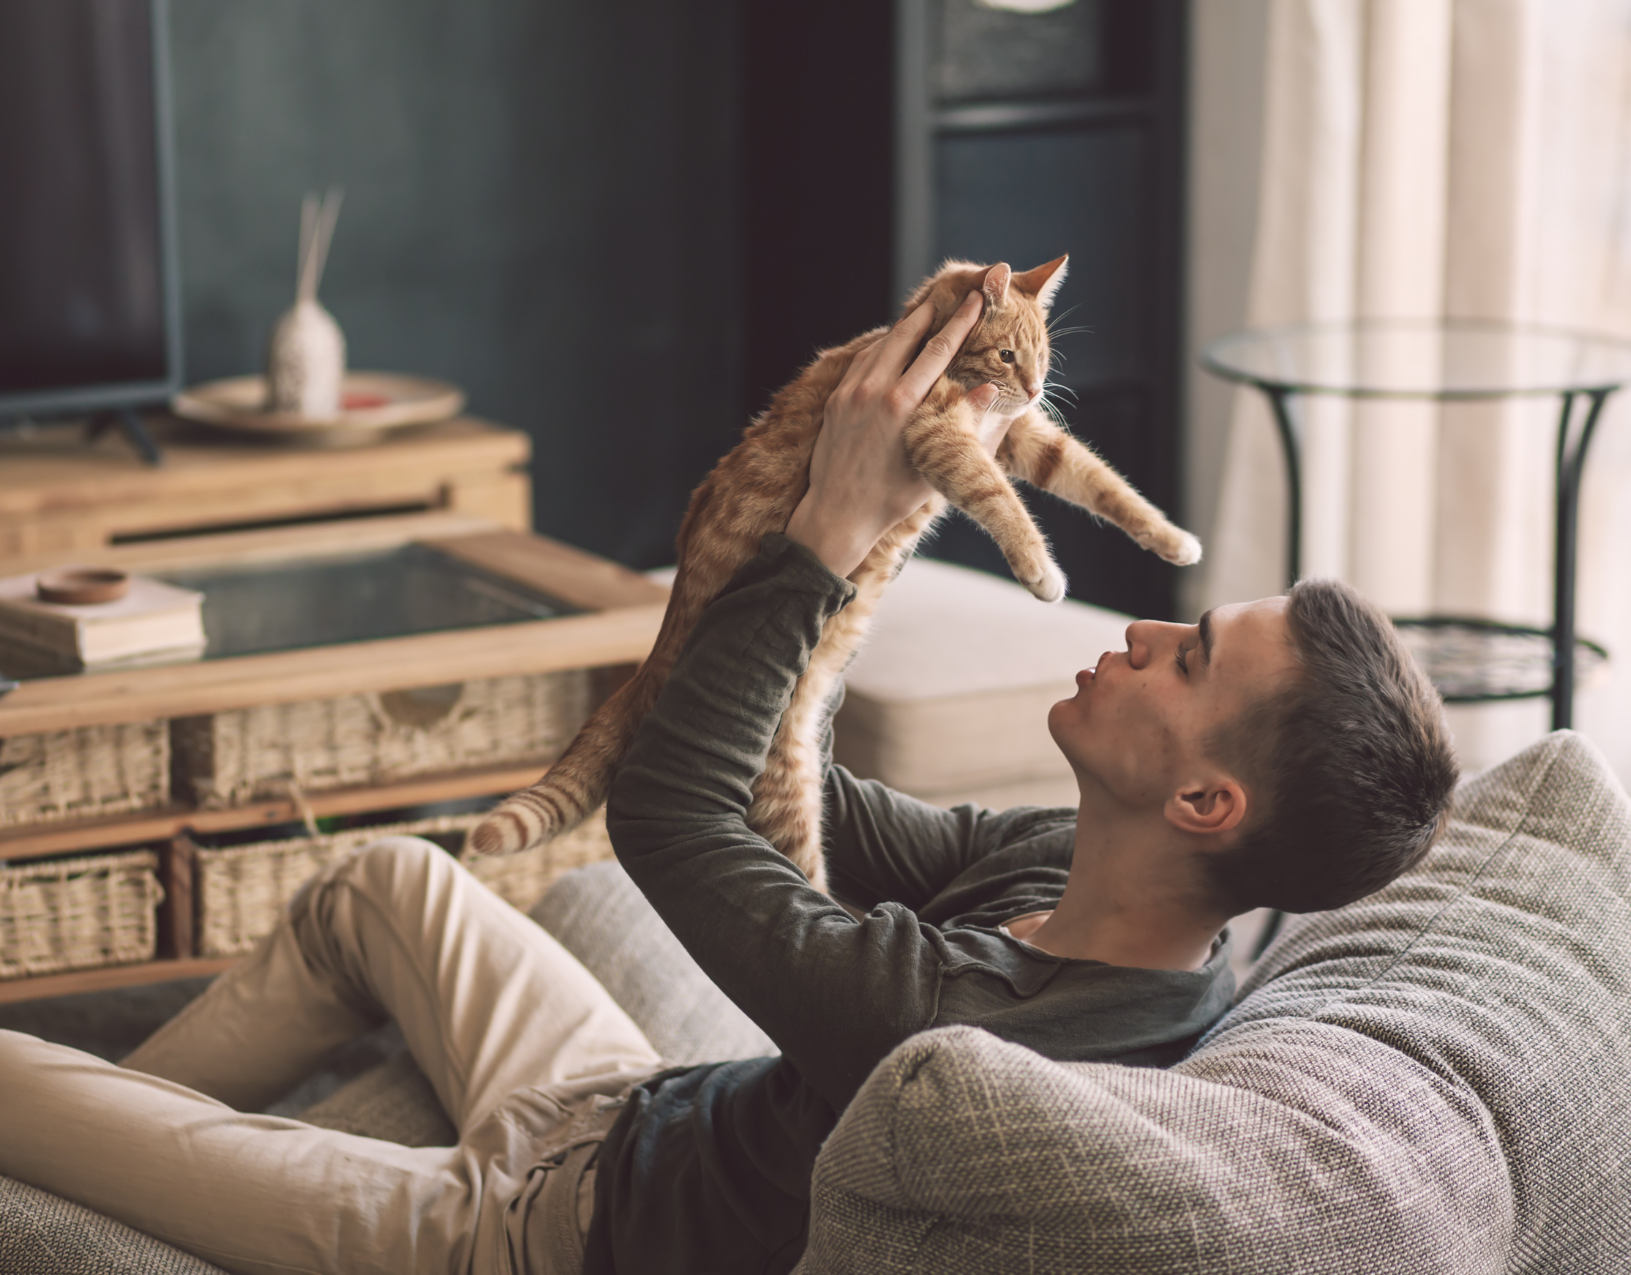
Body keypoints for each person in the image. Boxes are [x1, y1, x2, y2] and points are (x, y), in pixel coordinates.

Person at [0, 294, 1457, 1275]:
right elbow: (782, 770)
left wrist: (823, 530)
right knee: (386, 880)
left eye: (1188, 656)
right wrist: (848, 531)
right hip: (619, 1105)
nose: (1138, 632)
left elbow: (671, 815)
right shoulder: (1075, 885)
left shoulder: (958, 1037)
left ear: (1208, 804)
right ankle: (71, 1190)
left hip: (516, 1234)